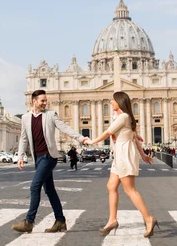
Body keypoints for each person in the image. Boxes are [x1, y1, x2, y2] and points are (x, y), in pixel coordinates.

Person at [11, 89, 89, 233]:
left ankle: (29, 221)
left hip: (48, 156)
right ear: (34, 101)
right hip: (38, 158)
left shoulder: (51, 115)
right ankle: (60, 220)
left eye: (46, 100)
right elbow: (24, 138)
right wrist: (20, 156)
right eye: (42, 101)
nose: (45, 103)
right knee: (49, 190)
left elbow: (65, 128)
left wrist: (80, 138)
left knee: (35, 186)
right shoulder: (25, 118)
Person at [85, 91, 158, 238]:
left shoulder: (123, 117)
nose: (110, 102)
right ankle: (112, 220)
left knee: (130, 189)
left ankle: (149, 219)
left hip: (124, 154)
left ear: (119, 102)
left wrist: (92, 141)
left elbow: (108, 132)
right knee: (111, 186)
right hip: (120, 153)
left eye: (113, 100)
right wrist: (143, 155)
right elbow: (135, 137)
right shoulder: (124, 117)